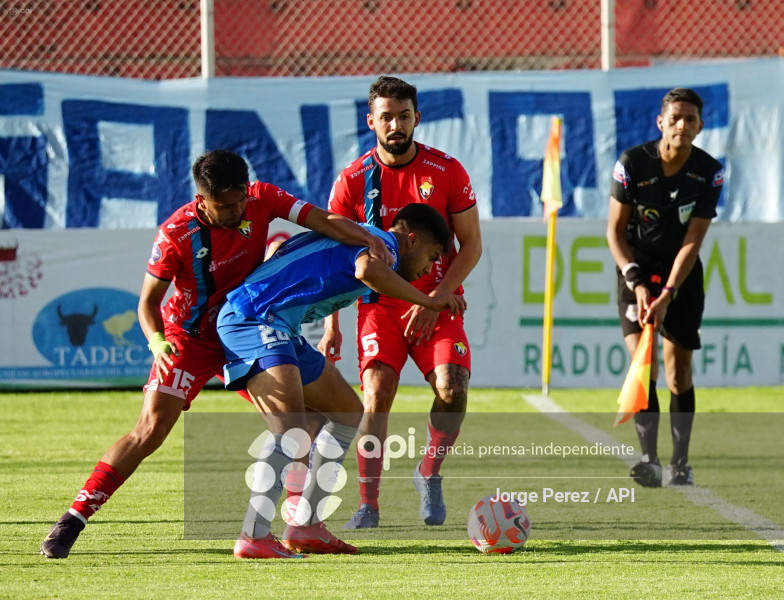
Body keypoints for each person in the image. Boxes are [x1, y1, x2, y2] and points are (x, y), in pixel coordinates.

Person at [40, 149, 394, 559]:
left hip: (248, 328)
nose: (236, 212)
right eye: (224, 206)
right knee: (150, 430)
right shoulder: (176, 233)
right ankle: (73, 520)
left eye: (240, 200)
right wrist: (157, 342)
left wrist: (367, 235)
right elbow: (147, 303)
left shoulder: (261, 198)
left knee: (308, 423)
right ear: (201, 199)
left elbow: (322, 220)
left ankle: (301, 525)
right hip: (190, 339)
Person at [217, 202, 465, 558]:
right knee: (291, 431)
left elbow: (295, 256)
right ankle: (253, 535)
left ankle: (307, 525)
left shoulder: (365, 236)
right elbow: (366, 269)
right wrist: (428, 301)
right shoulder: (385, 246)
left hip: (279, 327)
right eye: (433, 256)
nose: (430, 268)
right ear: (411, 240)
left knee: (348, 412)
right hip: (254, 319)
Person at [319, 76, 482, 529]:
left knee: (453, 389)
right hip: (378, 306)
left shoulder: (447, 171)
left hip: (437, 301)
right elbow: (334, 256)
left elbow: (470, 245)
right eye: (386, 116)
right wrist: (331, 324)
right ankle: (368, 505)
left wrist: (437, 295)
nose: (395, 124)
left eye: (404, 116)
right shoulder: (353, 180)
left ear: (417, 118)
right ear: (371, 120)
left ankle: (428, 472)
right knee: (376, 397)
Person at [607, 88, 724, 488]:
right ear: (661, 122)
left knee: (678, 374)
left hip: (681, 276)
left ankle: (681, 463)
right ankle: (649, 460)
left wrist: (669, 292)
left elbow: (693, 241)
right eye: (675, 118)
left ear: (700, 126)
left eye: (690, 119)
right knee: (645, 365)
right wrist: (637, 283)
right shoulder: (632, 164)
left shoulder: (710, 171)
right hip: (635, 271)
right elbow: (614, 233)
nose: (682, 125)